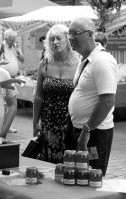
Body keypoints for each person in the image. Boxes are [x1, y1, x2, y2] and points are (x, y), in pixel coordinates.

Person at [68, 17, 117, 176]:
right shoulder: (85, 59)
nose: (70, 38)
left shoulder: (102, 60)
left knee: (92, 177)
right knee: (79, 176)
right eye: (69, 34)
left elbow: (108, 101)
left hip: (94, 133)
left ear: (90, 34)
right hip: (82, 130)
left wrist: (86, 131)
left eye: (75, 33)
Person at [32, 24, 80, 164]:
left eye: (58, 38)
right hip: (49, 121)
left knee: (70, 159)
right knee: (49, 159)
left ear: (68, 40)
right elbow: (38, 96)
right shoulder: (44, 64)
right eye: (51, 39)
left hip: (71, 121)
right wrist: (35, 122)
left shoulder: (79, 63)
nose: (55, 42)